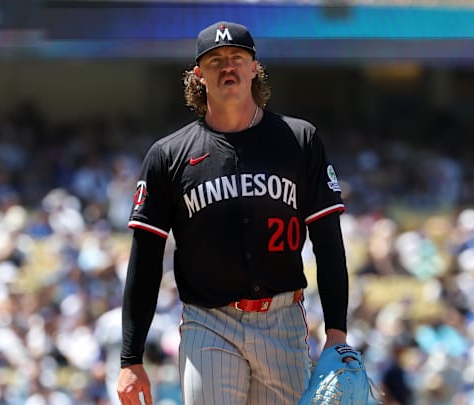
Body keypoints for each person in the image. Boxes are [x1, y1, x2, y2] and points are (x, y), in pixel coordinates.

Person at [116, 21, 350, 405]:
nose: (228, 67)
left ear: (254, 67)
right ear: (198, 75)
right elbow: (144, 260)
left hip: (283, 320)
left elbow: (328, 242)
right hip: (209, 322)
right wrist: (131, 358)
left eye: (237, 58)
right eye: (216, 60)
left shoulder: (299, 140)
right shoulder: (168, 155)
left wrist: (337, 334)